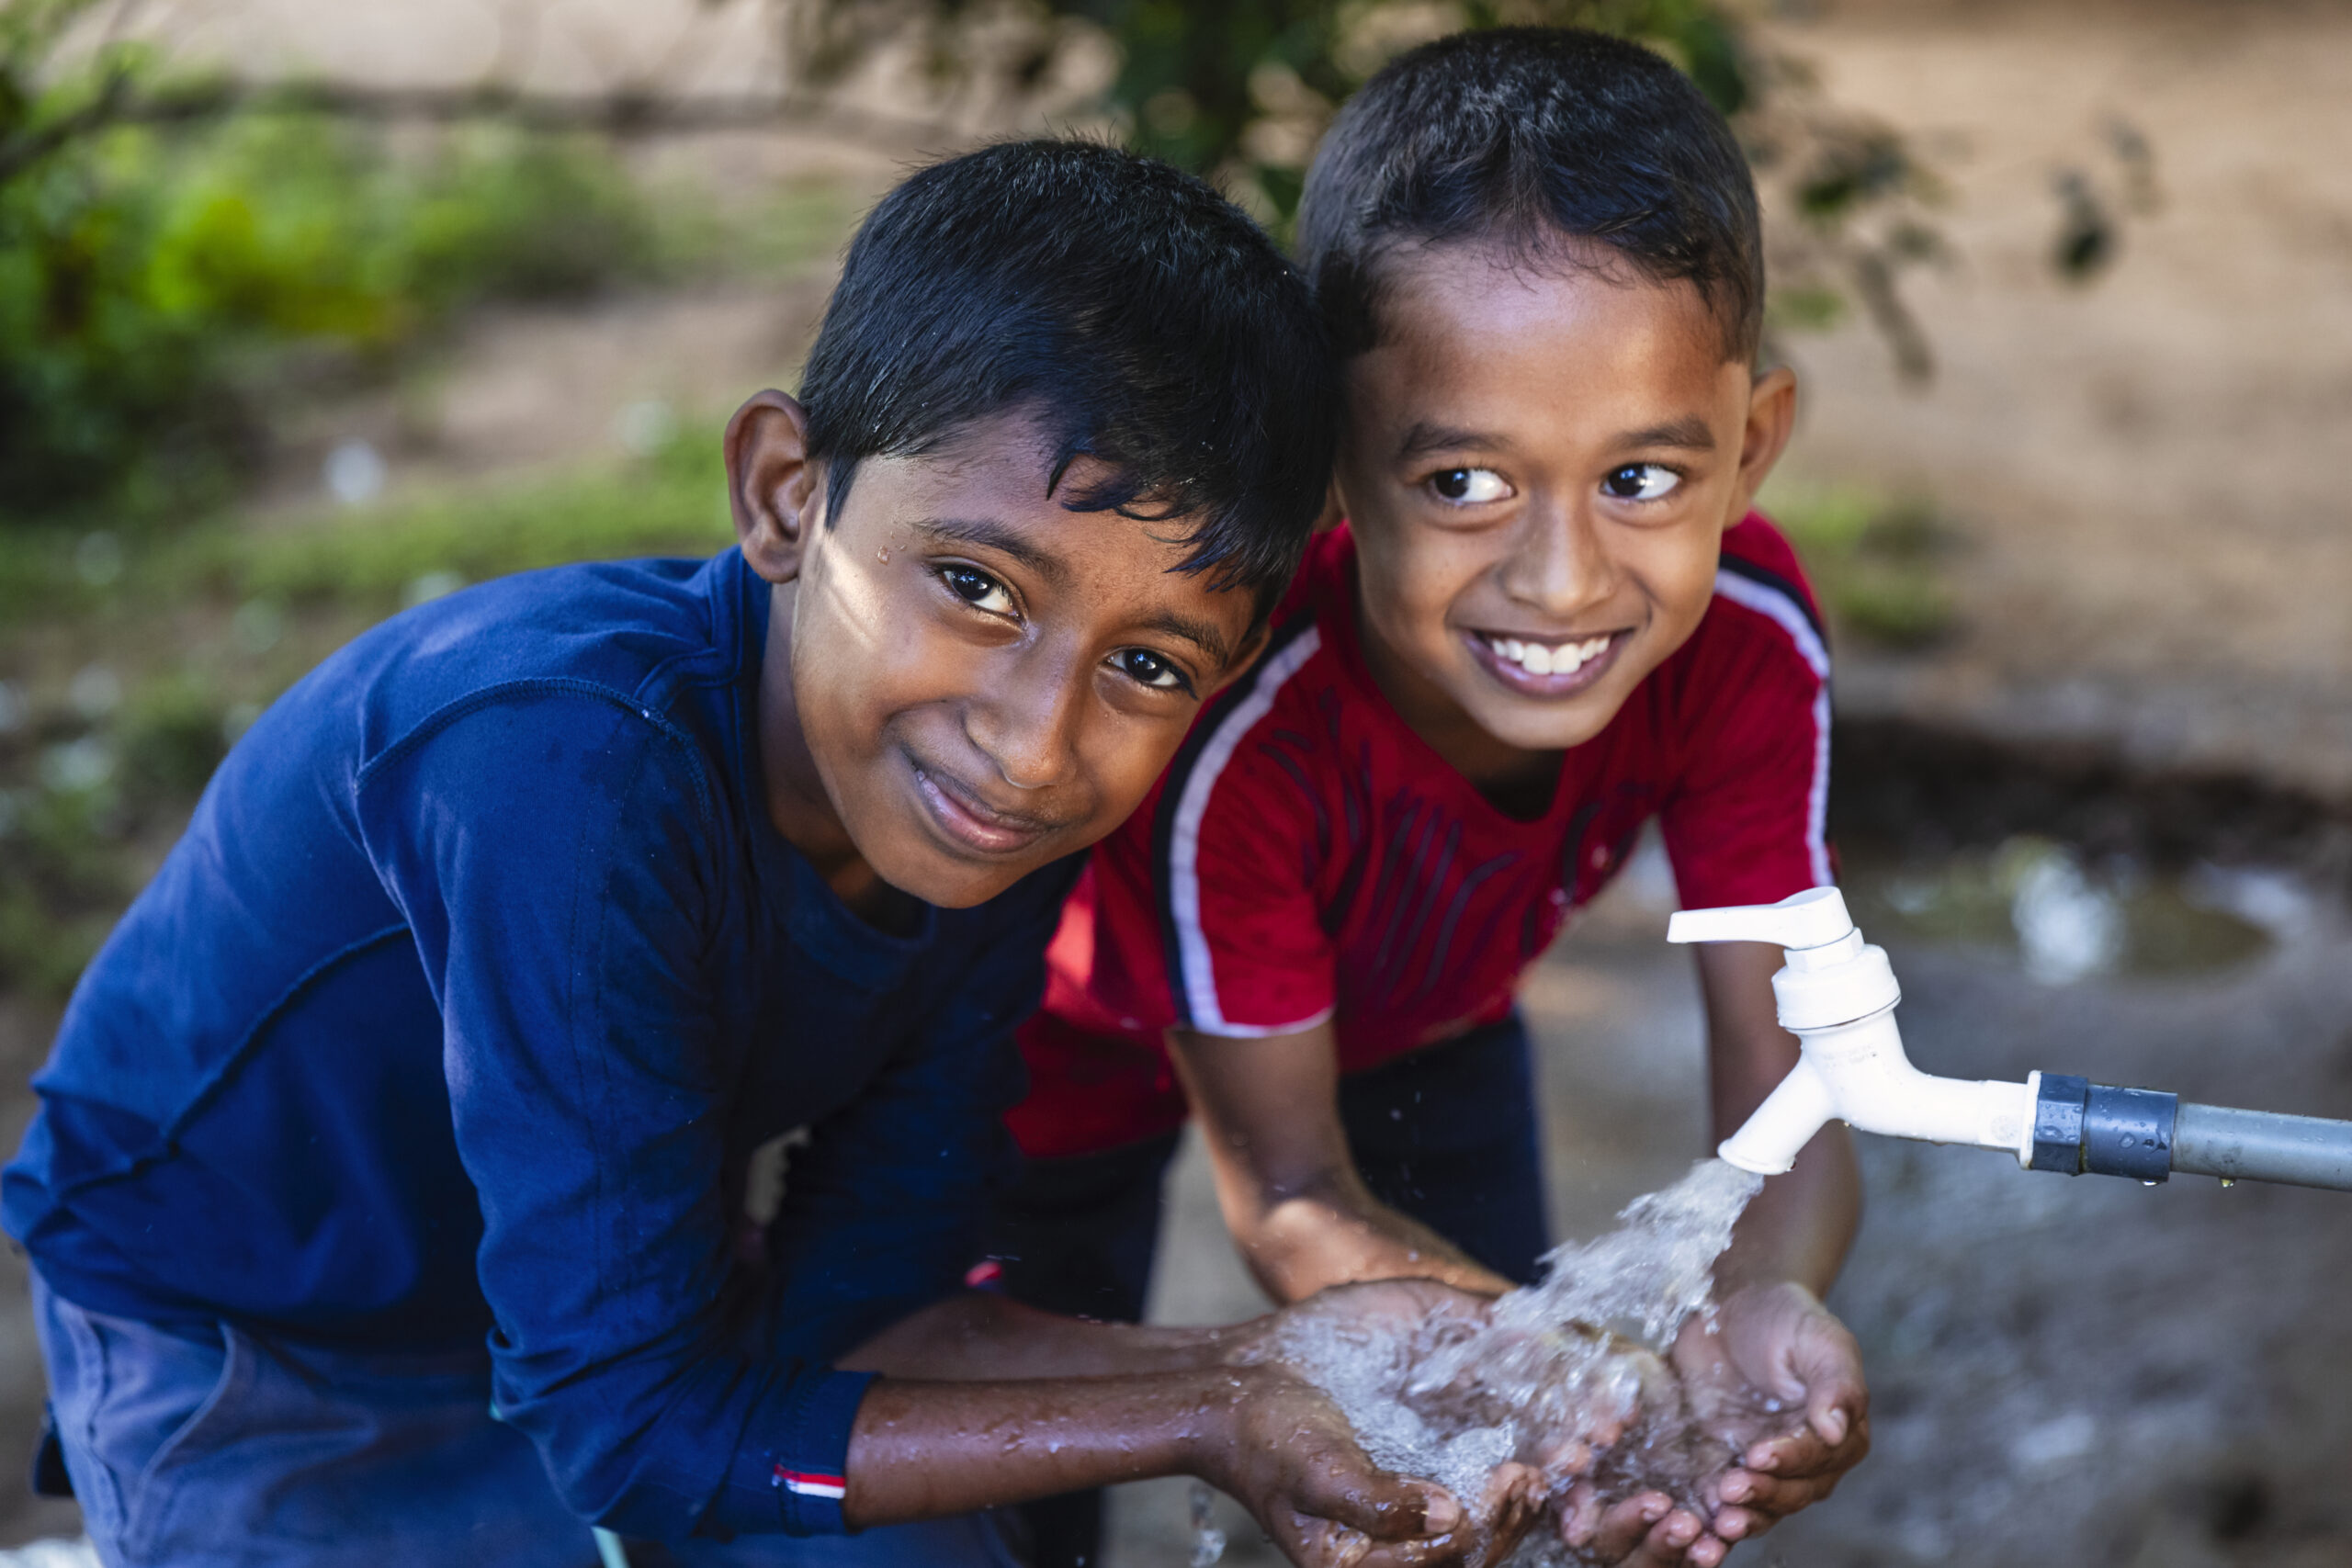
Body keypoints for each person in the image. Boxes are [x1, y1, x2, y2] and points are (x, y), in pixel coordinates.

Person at [1, 140, 1507, 1568]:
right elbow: (634, 1424)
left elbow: (865, 1317)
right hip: (257, 1329)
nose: (1038, 740)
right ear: (788, 492)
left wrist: (1287, 1362)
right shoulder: (564, 762)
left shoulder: (976, 814)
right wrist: (1204, 1415)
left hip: (617, 1306)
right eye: (977, 585)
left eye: (1153, 667)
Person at [994, 30, 1872, 1568]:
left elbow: (1787, 1071)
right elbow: (1288, 1191)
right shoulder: (1246, 733)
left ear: (1752, 450)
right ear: (1339, 468)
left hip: (1432, 1017)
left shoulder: (1746, 641)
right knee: (1024, 1481)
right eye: (1464, 482)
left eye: (1645, 479)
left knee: (1476, 1485)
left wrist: (1752, 1310)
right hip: (1063, 1067)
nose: (1562, 577)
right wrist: (1589, 1369)